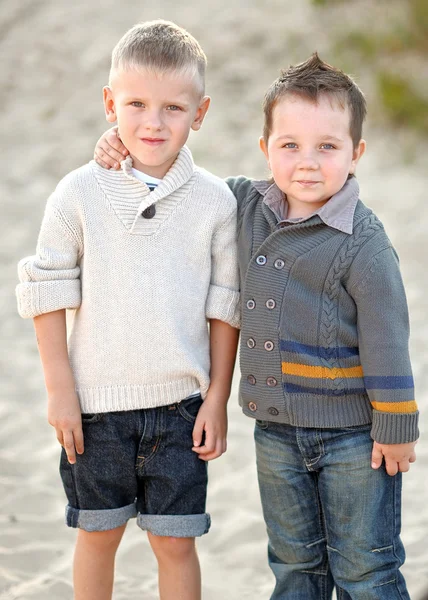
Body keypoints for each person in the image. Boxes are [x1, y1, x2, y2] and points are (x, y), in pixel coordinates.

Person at [95, 53, 419, 599]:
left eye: (328, 147)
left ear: (356, 153)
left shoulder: (364, 243)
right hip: (275, 435)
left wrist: (396, 423)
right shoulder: (243, 205)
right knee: (294, 563)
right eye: (289, 145)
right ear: (265, 149)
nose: (307, 163)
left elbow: (388, 335)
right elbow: (181, 187)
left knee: (365, 568)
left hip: (354, 438)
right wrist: (121, 146)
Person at [16, 20, 240, 600]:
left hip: (181, 410)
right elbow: (48, 291)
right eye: (136, 104)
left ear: (201, 111)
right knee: (98, 534)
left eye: (173, 107)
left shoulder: (216, 202)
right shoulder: (77, 193)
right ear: (110, 103)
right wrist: (60, 390)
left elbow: (226, 304)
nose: (154, 121)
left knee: (175, 544)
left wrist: (216, 396)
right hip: (95, 411)